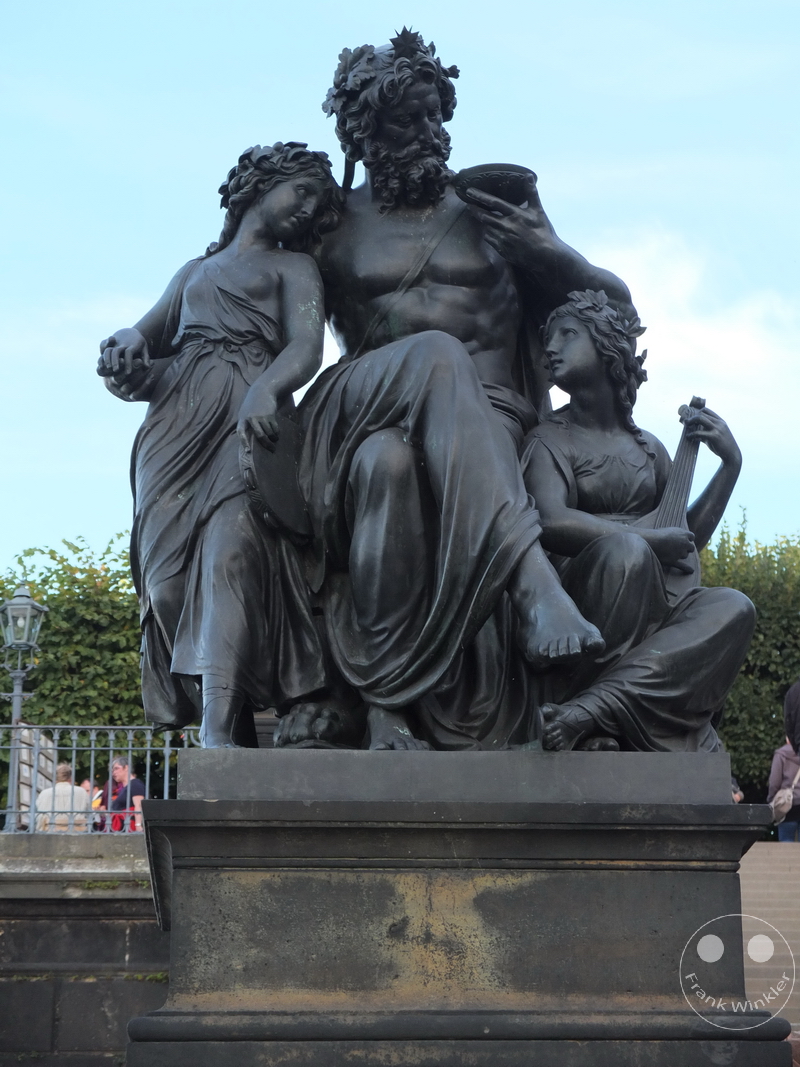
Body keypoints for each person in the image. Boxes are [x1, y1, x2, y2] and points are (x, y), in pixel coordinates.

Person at [278, 30, 627, 750]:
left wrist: (551, 256)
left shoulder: (495, 209)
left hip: (487, 425)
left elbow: (612, 309)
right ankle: (532, 583)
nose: (433, 135)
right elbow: (251, 294)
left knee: (390, 466)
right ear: (363, 132)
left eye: (439, 116)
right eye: (410, 120)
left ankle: (385, 709)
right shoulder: (330, 225)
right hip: (361, 408)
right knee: (433, 360)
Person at [98, 143, 343, 747]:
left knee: (230, 557)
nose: (308, 210)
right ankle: (232, 725)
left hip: (249, 432)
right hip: (173, 434)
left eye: (319, 202)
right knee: (168, 589)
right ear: (258, 187)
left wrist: (265, 389)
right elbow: (149, 340)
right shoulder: (193, 273)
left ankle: (217, 735)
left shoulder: (295, 270)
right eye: (301, 192)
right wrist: (124, 353)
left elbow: (307, 348)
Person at [521, 289, 756, 752]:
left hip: (654, 602)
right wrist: (643, 537)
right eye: (549, 338)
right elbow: (548, 520)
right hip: (585, 594)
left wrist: (730, 467)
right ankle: (589, 705)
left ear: (608, 345)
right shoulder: (549, 439)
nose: (551, 348)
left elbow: (683, 546)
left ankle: (589, 711)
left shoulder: (650, 449)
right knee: (627, 553)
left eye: (567, 335)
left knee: (734, 607)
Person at [768, 682, 800, 841]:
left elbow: (775, 781)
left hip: (789, 804)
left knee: (786, 841)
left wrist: (772, 799)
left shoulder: (781, 754)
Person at [35, 763, 89, 832]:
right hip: (76, 832)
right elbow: (89, 813)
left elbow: (39, 816)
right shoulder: (82, 792)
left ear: (55, 778)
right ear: (71, 778)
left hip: (50, 832)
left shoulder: (44, 793)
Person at [107, 757, 146, 833]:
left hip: (130, 826)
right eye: (112, 770)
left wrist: (138, 825)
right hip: (123, 826)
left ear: (126, 768)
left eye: (116, 768)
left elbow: (139, 805)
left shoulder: (135, 784)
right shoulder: (126, 787)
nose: (114, 773)